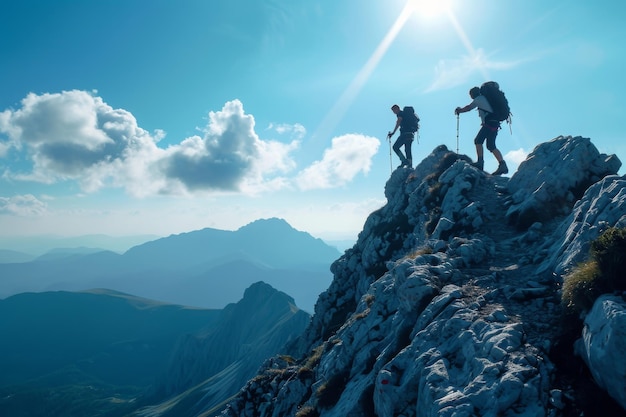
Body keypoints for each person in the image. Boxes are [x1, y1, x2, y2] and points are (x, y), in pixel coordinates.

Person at [455, 87, 508, 175]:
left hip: (489, 123)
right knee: (491, 146)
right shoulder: (485, 99)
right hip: (495, 123)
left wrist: (459, 110)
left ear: (473, 94)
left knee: (478, 140)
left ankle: (480, 163)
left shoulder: (479, 99)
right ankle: (502, 165)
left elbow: (469, 107)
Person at [387, 104, 417, 168]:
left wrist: (393, 133)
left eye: (394, 110)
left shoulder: (400, 114)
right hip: (411, 134)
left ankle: (404, 161)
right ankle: (410, 164)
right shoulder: (407, 114)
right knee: (408, 149)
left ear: (397, 108)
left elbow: (398, 122)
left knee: (395, 147)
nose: (394, 112)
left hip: (405, 134)